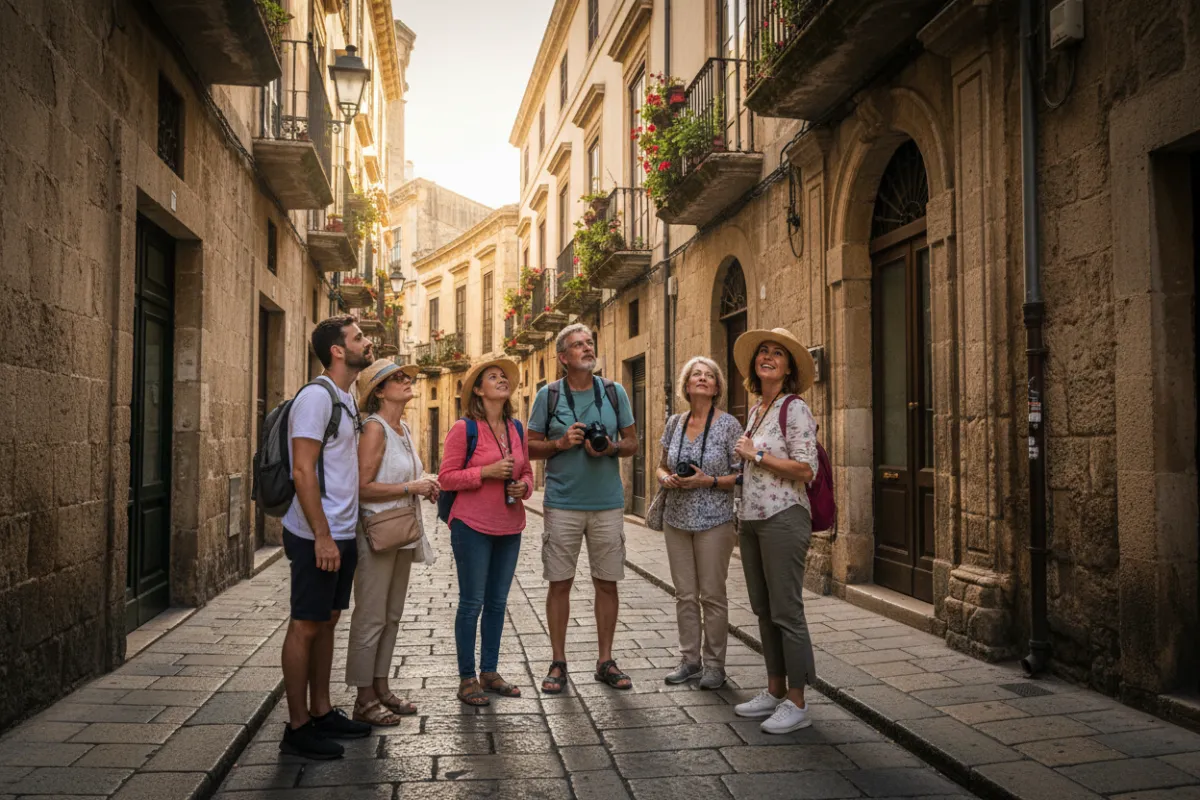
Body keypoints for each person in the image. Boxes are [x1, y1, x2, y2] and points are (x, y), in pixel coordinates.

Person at [279, 316, 374, 759]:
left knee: (329, 621)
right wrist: (321, 535)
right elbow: (302, 470)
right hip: (317, 533)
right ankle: (298, 727)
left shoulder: (347, 396)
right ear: (337, 350)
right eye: (358, 338)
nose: (366, 342)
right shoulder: (315, 398)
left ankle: (321, 709)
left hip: (341, 531)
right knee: (305, 624)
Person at [527, 323, 637, 694]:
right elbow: (529, 447)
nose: (587, 348)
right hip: (562, 504)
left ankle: (605, 660)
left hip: (607, 503)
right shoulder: (548, 395)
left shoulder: (614, 391)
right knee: (560, 584)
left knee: (607, 583)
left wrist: (611, 449)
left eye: (589, 342)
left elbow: (633, 443)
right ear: (563, 357)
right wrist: (561, 443)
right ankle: (558, 662)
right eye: (578, 345)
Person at [729, 327, 820, 735]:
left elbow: (806, 469)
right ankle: (774, 689)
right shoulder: (756, 410)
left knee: (786, 611)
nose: (768, 357)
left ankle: (798, 702)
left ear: (788, 368)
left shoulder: (794, 407)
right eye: (762, 352)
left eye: (777, 353)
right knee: (763, 609)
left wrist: (757, 454)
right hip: (751, 520)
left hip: (784, 517)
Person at [345, 359, 438, 726]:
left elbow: (406, 477)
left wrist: (426, 483)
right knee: (370, 617)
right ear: (379, 391)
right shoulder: (374, 428)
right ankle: (363, 699)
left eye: (405, 376)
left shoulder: (403, 429)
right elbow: (361, 487)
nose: (405, 381)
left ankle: (381, 687)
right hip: (376, 532)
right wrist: (409, 487)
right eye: (395, 378)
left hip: (402, 531)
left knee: (392, 616)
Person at [438, 358, 533, 706]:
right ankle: (467, 679)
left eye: (503, 376)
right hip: (471, 526)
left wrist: (523, 486)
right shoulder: (465, 429)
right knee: (471, 603)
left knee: (497, 602)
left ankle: (489, 672)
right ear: (479, 390)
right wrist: (487, 472)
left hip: (510, 525)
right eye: (492, 377)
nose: (501, 380)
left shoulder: (517, 428)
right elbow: (446, 477)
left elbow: (527, 474)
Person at [654, 356, 742, 690]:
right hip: (677, 519)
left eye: (709, 375)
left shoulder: (729, 425)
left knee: (713, 596)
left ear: (717, 386)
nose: (702, 379)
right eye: (696, 375)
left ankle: (715, 666)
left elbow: (742, 476)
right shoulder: (675, 423)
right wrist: (666, 479)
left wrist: (709, 481)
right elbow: (661, 466)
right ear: (686, 385)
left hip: (714, 521)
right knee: (685, 595)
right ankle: (689, 660)